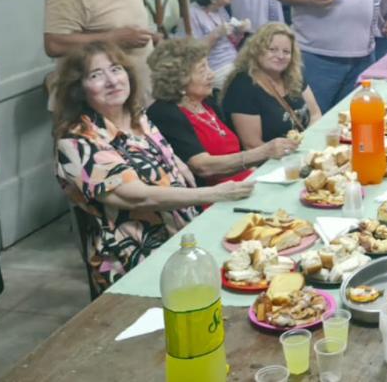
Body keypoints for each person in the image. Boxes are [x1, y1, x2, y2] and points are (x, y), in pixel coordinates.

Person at [54, 42, 255, 290]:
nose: (112, 81)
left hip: (183, 242)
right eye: (95, 75)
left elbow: (169, 163)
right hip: (136, 261)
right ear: (78, 89)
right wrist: (216, 194)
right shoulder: (78, 141)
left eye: (116, 69)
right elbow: (139, 198)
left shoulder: (138, 116)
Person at [146, 39, 296, 185]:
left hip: (248, 181)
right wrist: (263, 152)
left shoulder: (211, 101)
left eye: (209, 66)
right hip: (214, 196)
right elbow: (202, 166)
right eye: (202, 70)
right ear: (178, 81)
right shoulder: (165, 114)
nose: (211, 74)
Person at [221, 22, 323, 148]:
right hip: (272, 162)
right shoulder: (242, 87)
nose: (280, 56)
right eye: (272, 50)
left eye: (286, 51)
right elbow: (252, 145)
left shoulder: (294, 75)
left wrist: (308, 145)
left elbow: (315, 114)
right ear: (256, 50)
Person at [188, 0, 242, 89]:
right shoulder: (192, 14)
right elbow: (194, 52)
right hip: (215, 67)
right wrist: (216, 34)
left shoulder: (220, 9)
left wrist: (239, 32)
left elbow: (231, 43)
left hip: (233, 61)